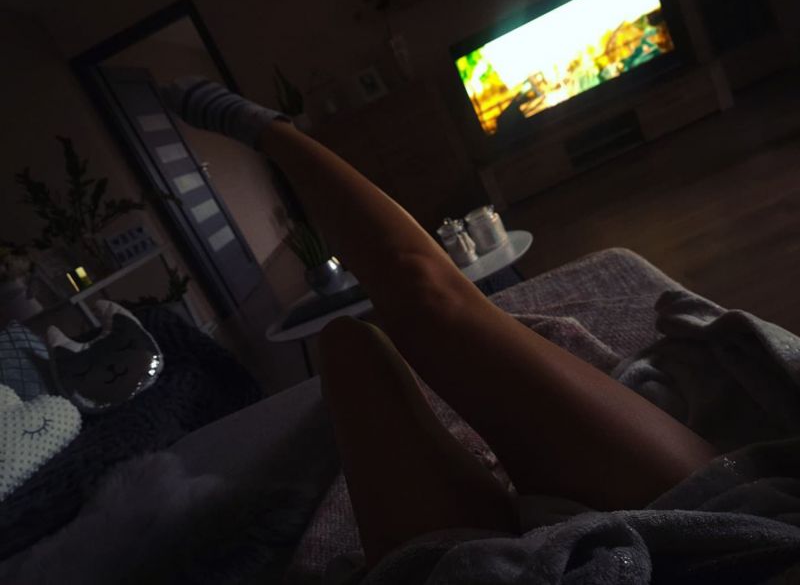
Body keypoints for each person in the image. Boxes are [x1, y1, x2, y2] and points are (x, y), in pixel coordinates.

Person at [162, 78, 718, 569]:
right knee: (418, 298)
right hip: (715, 547)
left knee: (347, 346)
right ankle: (274, 132)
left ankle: (273, 133)